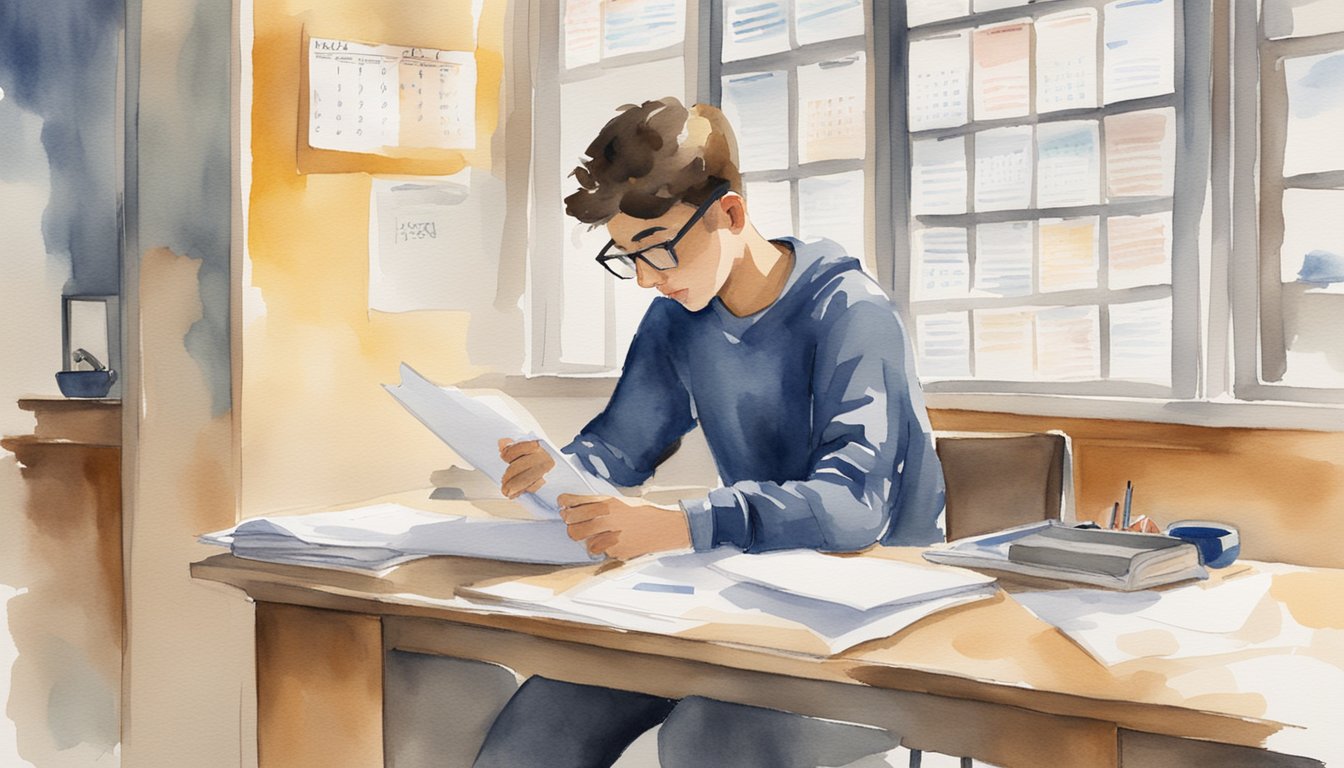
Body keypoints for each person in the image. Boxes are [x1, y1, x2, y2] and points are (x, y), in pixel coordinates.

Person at [473, 97, 945, 768]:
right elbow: (621, 446)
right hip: (738, 601)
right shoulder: (680, 316)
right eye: (627, 257)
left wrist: (680, 526)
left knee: (709, 738)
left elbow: (854, 509)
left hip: (868, 624)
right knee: (540, 725)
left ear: (730, 214)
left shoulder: (851, 311)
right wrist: (562, 472)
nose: (647, 278)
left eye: (659, 249)